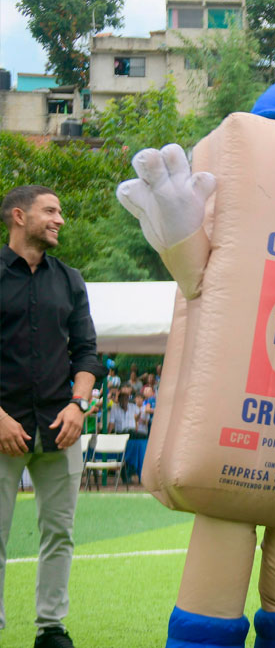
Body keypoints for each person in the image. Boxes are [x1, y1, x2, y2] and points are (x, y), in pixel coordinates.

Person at [0, 185, 104, 648]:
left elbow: (86, 352)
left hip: (61, 427)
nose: (60, 219)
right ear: (19, 216)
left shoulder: (70, 279)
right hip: (2, 426)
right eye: (50, 210)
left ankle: (51, 629)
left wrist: (78, 404)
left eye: (60, 211)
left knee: (59, 533)